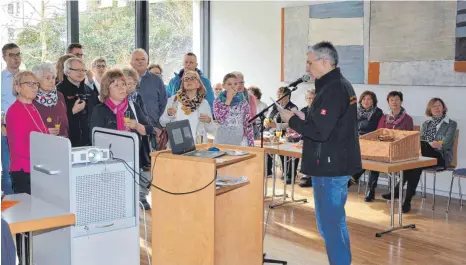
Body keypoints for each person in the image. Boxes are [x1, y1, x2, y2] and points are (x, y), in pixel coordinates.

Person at [279, 41, 361, 265]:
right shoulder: (337, 84)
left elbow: (321, 132)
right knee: (337, 223)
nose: (307, 67)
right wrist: (306, 118)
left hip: (329, 167)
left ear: (325, 62)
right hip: (335, 163)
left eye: (310, 62)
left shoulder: (333, 88)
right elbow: (329, 124)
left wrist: (293, 120)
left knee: (329, 226)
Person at [90, 69, 153, 210]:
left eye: (123, 84)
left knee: (131, 203)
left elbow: (150, 129)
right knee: (113, 203)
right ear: (107, 89)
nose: (122, 88)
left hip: (134, 161)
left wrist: (137, 126)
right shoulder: (99, 110)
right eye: (116, 85)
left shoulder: (133, 106)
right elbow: (94, 138)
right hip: (110, 163)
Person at [382, 98, 457, 213]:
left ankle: (397, 190)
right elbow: (419, 141)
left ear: (443, 108)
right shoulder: (425, 123)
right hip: (423, 156)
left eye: (439, 106)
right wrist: (431, 144)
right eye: (434, 106)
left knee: (418, 154)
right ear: (430, 110)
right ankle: (406, 202)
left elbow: (446, 144)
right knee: (416, 165)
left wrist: (431, 145)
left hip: (441, 156)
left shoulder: (451, 124)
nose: (436, 108)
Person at [6, 71, 49, 195]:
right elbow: (19, 147)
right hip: (24, 170)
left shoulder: (33, 107)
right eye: (29, 83)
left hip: (38, 167)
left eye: (36, 84)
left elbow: (43, 133)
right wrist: (45, 154)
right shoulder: (14, 111)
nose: (35, 87)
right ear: (17, 87)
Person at [366, 91, 414, 200]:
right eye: (391, 100)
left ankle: (394, 191)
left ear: (401, 101)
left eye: (397, 99)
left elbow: (408, 137)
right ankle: (371, 190)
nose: (394, 102)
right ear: (388, 103)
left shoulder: (408, 119)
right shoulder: (384, 118)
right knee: (375, 160)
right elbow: (379, 133)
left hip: (399, 150)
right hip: (384, 148)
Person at [160, 70, 215, 143]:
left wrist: (208, 121)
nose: (189, 81)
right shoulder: (173, 100)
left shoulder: (204, 103)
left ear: (198, 84)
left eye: (192, 78)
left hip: (198, 145)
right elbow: (162, 123)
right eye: (186, 79)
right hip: (177, 145)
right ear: (183, 84)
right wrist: (168, 114)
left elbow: (211, 129)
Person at [349, 91, 384, 201]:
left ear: (373, 101)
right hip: (356, 142)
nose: (366, 101)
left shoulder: (378, 113)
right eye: (364, 99)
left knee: (373, 159)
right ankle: (347, 179)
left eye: (369, 99)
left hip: (372, 142)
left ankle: (371, 189)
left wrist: (366, 139)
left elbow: (379, 131)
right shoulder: (355, 112)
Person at [57, 57, 98, 147]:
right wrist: (72, 112)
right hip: (66, 141)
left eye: (83, 70)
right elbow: (54, 119)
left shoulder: (88, 90)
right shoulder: (58, 91)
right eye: (77, 70)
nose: (81, 73)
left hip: (89, 141)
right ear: (67, 71)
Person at [265, 86, 299, 184]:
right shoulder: (274, 106)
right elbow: (268, 117)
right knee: (279, 153)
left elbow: (290, 123)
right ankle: (282, 171)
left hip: (289, 134)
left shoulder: (293, 107)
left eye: (284, 96)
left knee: (287, 153)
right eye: (279, 96)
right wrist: (266, 122)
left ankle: (290, 174)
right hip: (275, 133)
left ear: (288, 97)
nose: (282, 99)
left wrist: (276, 125)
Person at [130, 49, 167, 135]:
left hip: (153, 129)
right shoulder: (124, 79)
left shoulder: (157, 80)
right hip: (130, 129)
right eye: (137, 59)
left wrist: (158, 126)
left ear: (147, 62)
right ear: (131, 63)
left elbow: (164, 104)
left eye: (143, 59)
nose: (140, 62)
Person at [1, 43, 21, 195]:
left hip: (27, 130)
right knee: (8, 171)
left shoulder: (28, 77)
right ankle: (8, 212)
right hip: (7, 130)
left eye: (18, 54)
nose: (16, 58)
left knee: (26, 170)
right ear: (4, 57)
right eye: (12, 55)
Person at [213, 73, 254, 146]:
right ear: (223, 86)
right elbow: (220, 119)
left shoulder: (243, 102)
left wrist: (251, 143)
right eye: (229, 84)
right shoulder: (218, 100)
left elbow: (248, 124)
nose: (233, 86)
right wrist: (228, 100)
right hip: (221, 140)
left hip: (238, 142)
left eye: (235, 84)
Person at [32, 62, 69, 138]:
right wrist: (44, 131)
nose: (51, 81)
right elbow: (28, 126)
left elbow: (65, 122)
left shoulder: (60, 95)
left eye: (53, 77)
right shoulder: (32, 98)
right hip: (41, 143)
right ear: (37, 80)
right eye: (47, 78)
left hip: (62, 141)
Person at [298, 89, 317, 188]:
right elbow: (301, 126)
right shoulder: (303, 111)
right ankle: (306, 175)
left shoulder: (321, 111)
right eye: (308, 98)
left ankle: (310, 177)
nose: (311, 100)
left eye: (313, 98)